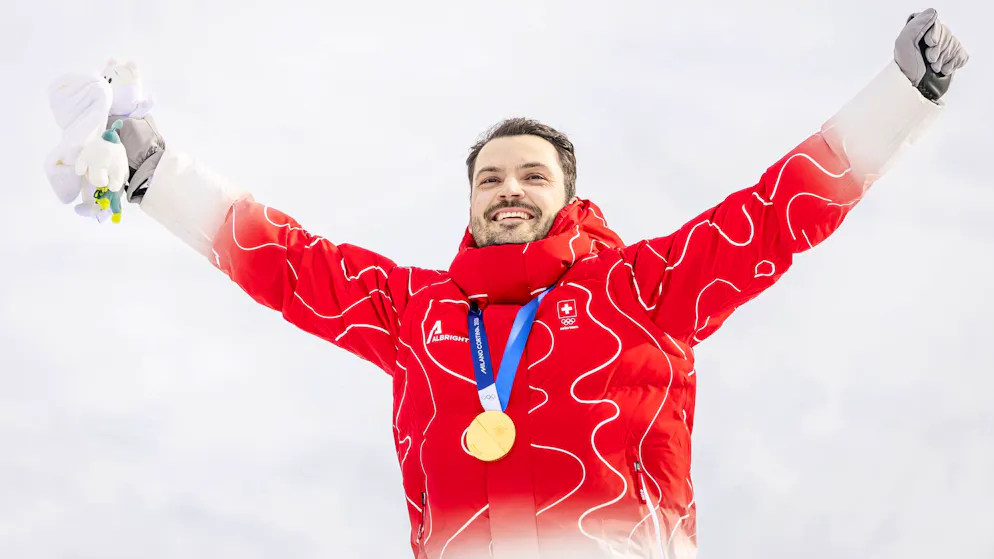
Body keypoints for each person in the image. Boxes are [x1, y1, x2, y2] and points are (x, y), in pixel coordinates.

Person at [45, 8, 970, 559]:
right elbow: (284, 260)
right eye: (492, 177)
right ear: (471, 201)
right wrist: (154, 171)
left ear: (568, 195)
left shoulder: (640, 290)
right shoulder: (417, 315)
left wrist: (902, 98)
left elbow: (778, 212)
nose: (511, 190)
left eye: (532, 175)